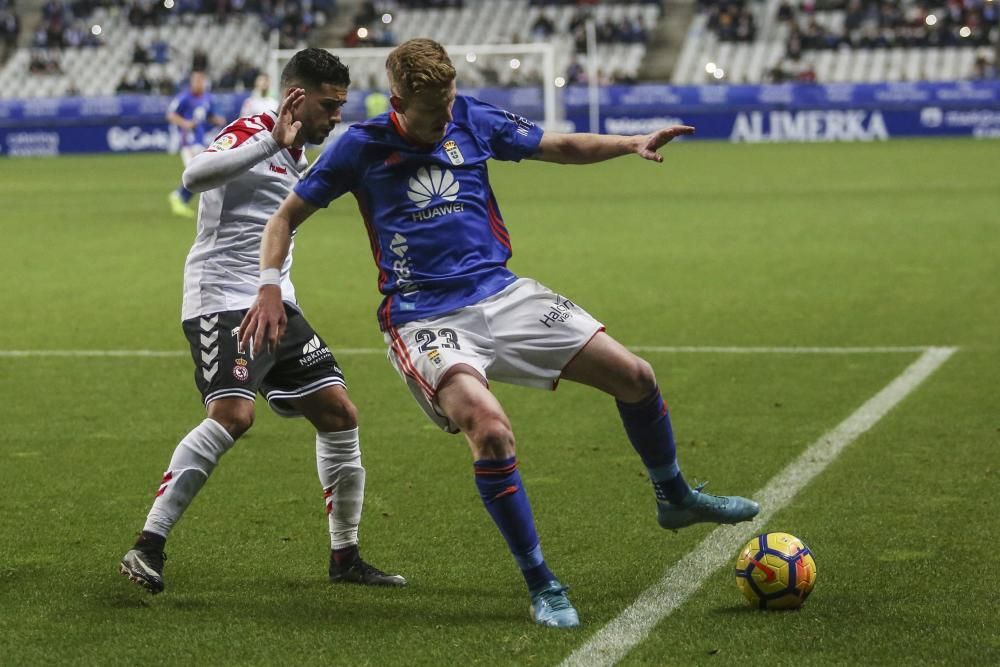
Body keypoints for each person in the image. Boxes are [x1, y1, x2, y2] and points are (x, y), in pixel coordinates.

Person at [240, 38, 758, 628]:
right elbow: (283, 218)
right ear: (399, 101)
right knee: (490, 432)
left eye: (449, 102)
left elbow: (557, 145)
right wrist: (268, 287)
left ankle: (675, 496)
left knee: (636, 377)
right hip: (424, 318)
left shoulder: (471, 117)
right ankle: (542, 582)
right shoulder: (360, 146)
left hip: (505, 295)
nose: (444, 118)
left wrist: (630, 143)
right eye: (432, 110)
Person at [120, 48, 406, 595]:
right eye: (329, 105)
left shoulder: (312, 152)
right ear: (296, 97)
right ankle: (148, 545)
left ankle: (344, 556)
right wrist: (271, 140)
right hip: (220, 300)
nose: (336, 116)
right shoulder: (255, 129)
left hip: (277, 302)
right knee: (233, 414)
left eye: (341, 105)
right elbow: (195, 173)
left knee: (339, 411)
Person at [165, 70, 226, 218]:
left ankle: (180, 198)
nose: (199, 83)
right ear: (191, 82)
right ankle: (179, 196)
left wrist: (216, 120)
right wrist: (185, 123)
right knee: (197, 171)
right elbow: (171, 115)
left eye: (201, 80)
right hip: (188, 141)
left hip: (199, 140)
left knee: (201, 172)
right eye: (196, 81)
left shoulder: (207, 98)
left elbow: (208, 115)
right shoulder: (184, 98)